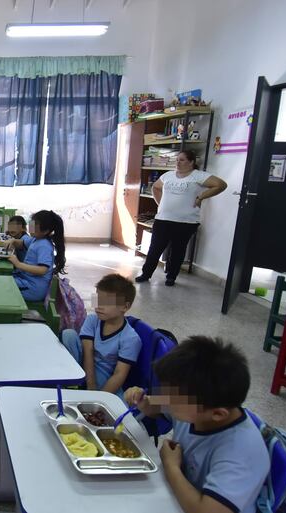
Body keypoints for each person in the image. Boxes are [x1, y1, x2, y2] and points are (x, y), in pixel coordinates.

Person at [125, 337, 269, 513]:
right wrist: (142, 400)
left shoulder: (241, 453)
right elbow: (157, 405)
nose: (167, 399)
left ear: (217, 414)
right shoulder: (196, 405)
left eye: (173, 399)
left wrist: (171, 467)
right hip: (176, 495)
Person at [136, 150, 227, 286]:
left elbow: (220, 185)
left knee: (178, 250)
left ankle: (171, 277)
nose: (178, 162)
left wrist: (202, 196)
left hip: (186, 221)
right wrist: (161, 204)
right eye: (177, 160)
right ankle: (146, 274)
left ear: (191, 162)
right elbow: (156, 187)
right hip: (163, 219)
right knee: (155, 248)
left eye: (182, 160)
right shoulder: (168, 176)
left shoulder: (198, 176)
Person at [61, 274, 141, 398]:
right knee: (68, 335)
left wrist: (98, 398)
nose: (98, 306)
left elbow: (119, 374)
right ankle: (73, 381)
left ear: (125, 307)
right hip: (84, 367)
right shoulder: (93, 320)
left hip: (107, 380)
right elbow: (88, 352)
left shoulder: (131, 338)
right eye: (97, 299)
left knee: (121, 410)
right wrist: (90, 386)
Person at [7, 210, 65, 302]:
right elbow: (22, 243)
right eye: (31, 223)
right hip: (27, 280)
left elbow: (42, 270)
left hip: (33, 288)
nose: (31, 227)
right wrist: (13, 241)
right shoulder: (36, 239)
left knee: (3, 286)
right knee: (3, 279)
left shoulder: (44, 245)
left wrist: (18, 264)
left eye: (34, 225)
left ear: (45, 230)